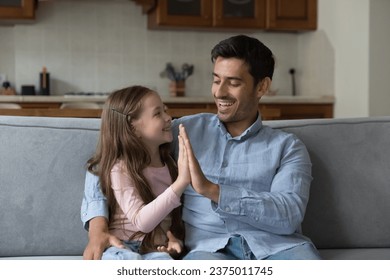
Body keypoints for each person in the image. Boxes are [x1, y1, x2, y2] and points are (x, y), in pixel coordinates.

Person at [81, 34, 322, 260]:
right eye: (216, 80)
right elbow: (110, 159)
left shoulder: (288, 148)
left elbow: (289, 215)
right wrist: (97, 227)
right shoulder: (182, 131)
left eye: (233, 83)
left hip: (278, 248)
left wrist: (212, 190)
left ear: (261, 87)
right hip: (208, 249)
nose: (219, 91)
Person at [83, 85, 191, 260]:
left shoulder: (171, 164)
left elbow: (169, 219)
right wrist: (181, 183)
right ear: (133, 128)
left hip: (155, 248)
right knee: (128, 261)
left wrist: (175, 242)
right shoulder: (120, 168)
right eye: (158, 114)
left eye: (165, 110)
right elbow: (142, 221)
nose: (168, 118)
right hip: (122, 245)